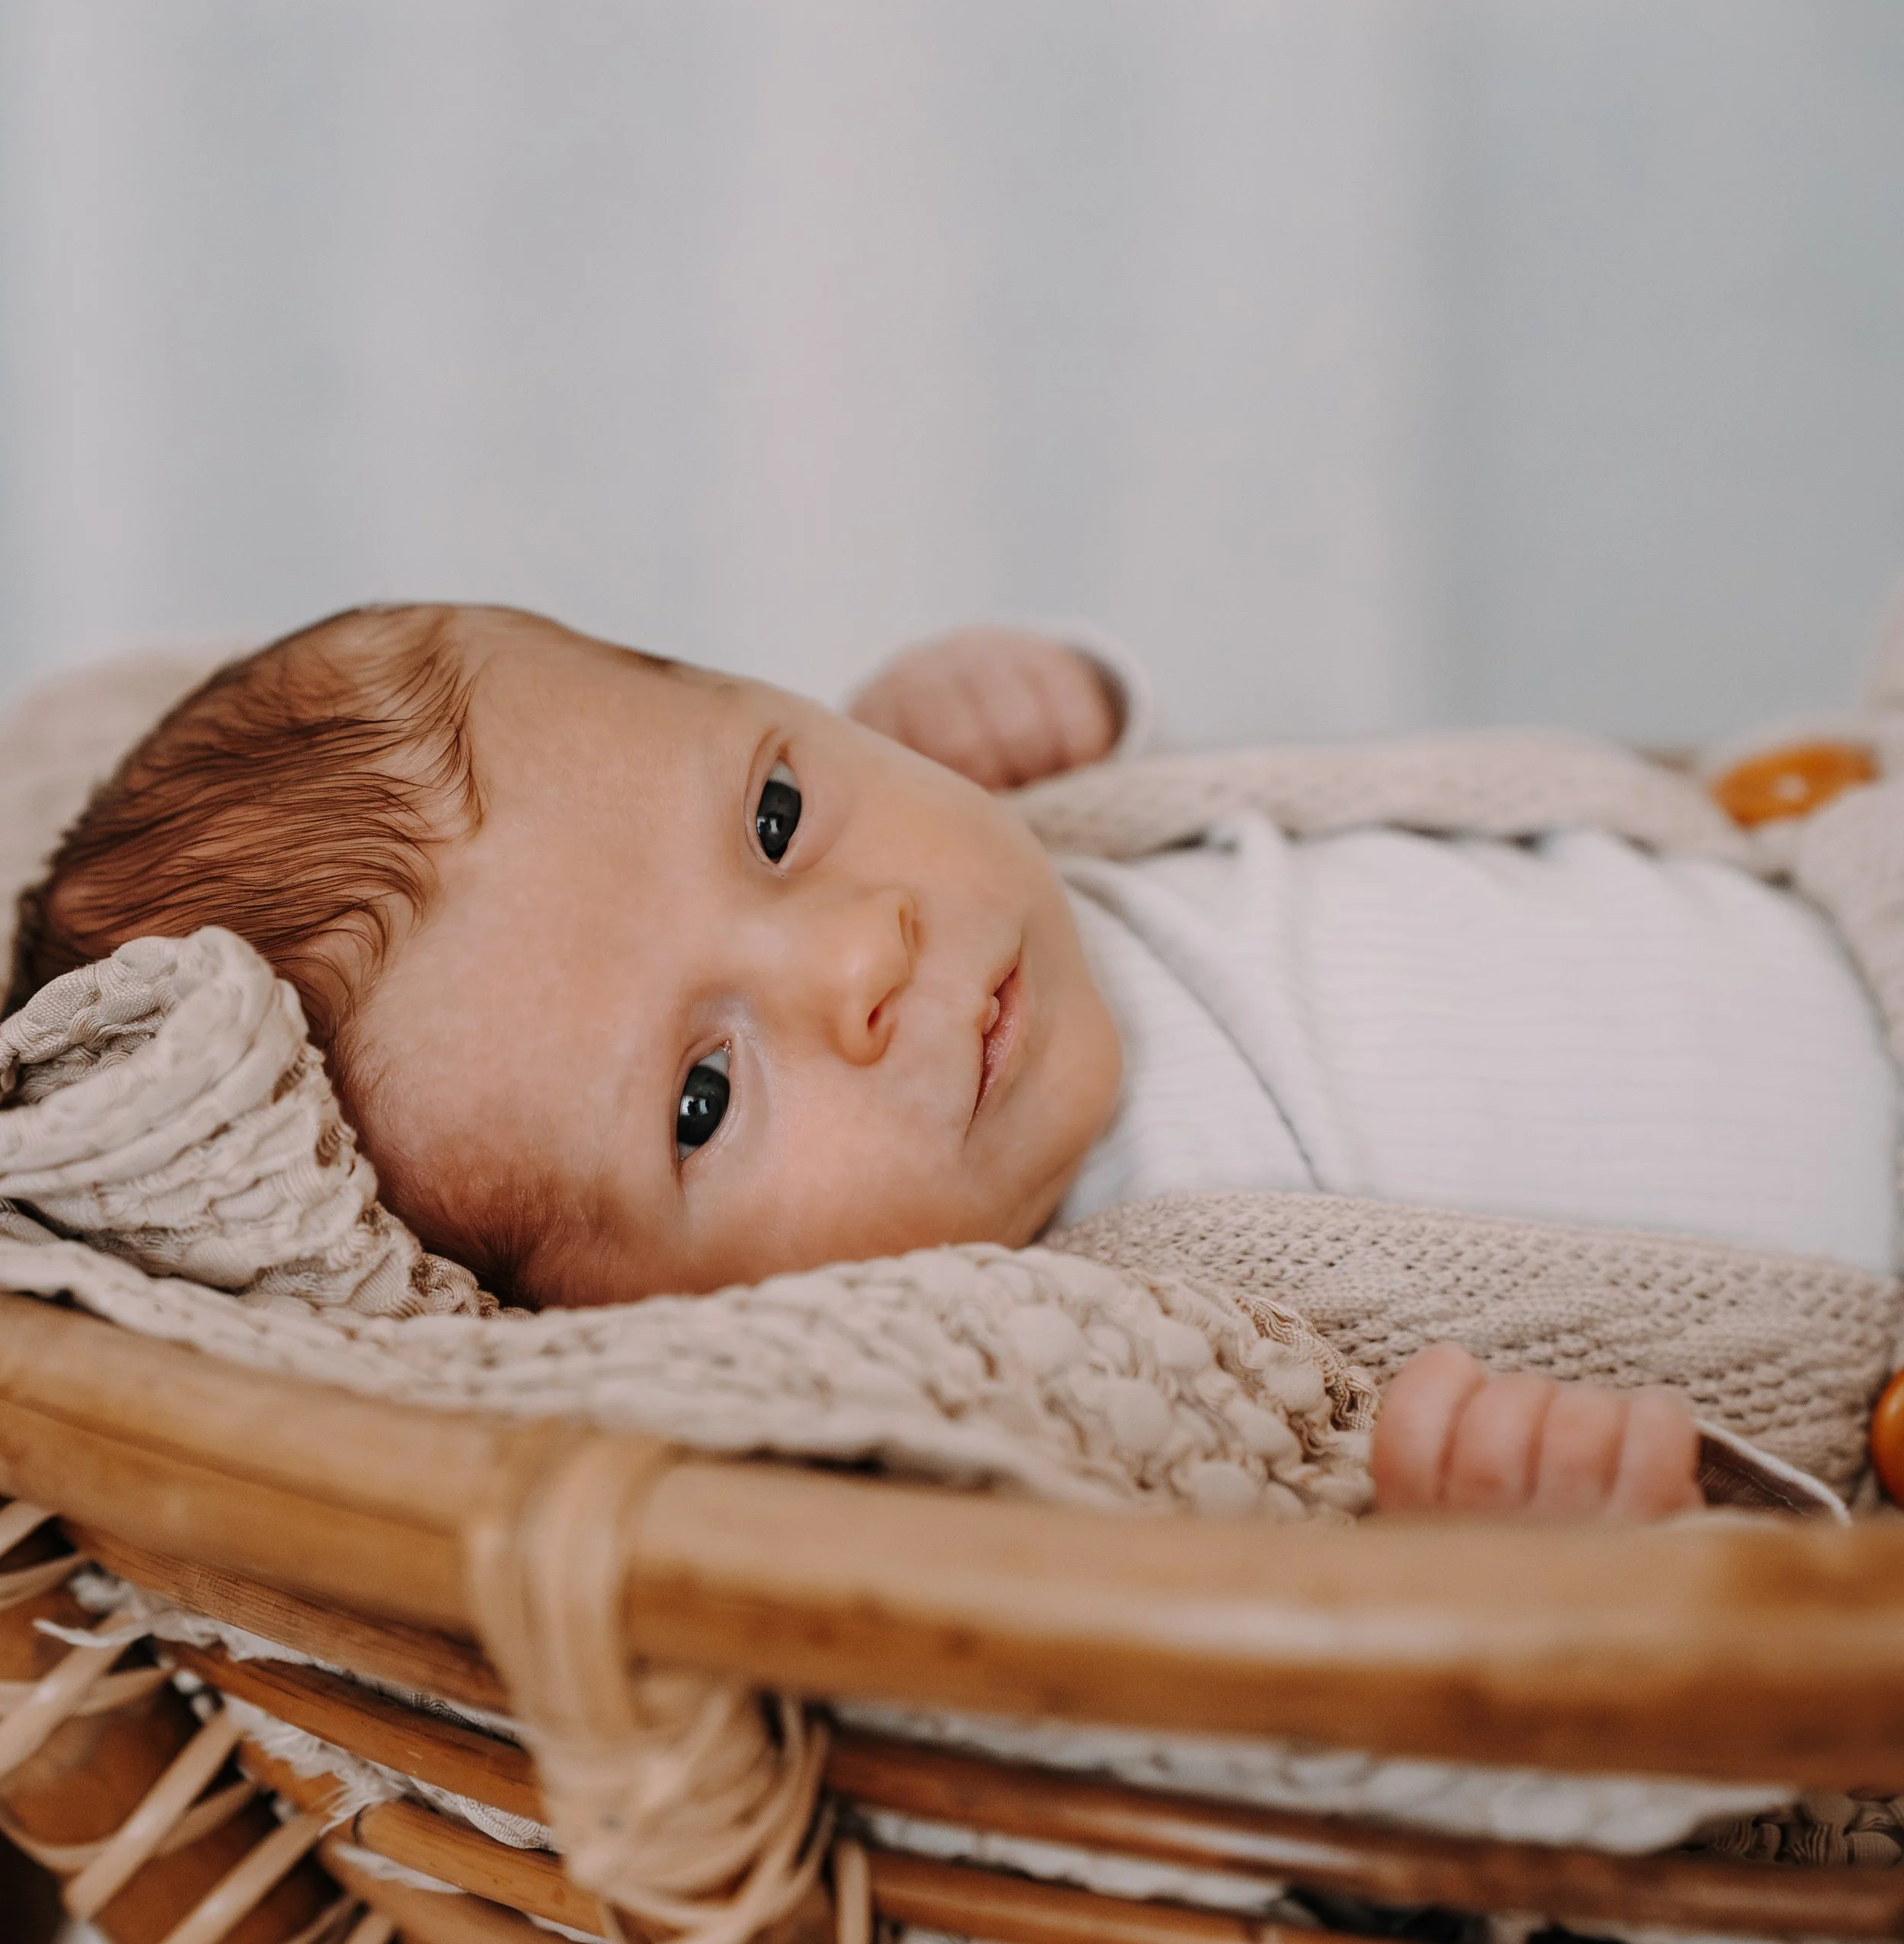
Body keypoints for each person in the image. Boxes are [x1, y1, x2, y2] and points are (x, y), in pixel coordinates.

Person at [14, 604, 1895, 1523]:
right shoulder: (1096, 1383)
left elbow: (1333, 841)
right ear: (658, 1332)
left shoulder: (1039, 848)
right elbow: (1276, 1786)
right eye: (701, 1099)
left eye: (770, 810)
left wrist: (1070, 708)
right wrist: (1514, 1576)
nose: (861, 956)